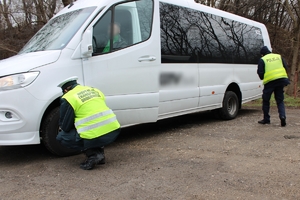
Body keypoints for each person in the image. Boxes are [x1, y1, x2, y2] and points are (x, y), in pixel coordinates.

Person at [56, 77, 121, 170]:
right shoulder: (94, 90)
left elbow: (65, 126)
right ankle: (100, 154)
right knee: (93, 128)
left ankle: (94, 155)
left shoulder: (68, 97)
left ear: (66, 90)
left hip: (96, 134)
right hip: (113, 130)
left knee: (62, 137)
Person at [257, 46, 290, 126]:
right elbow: (285, 67)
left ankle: (266, 119)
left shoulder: (263, 59)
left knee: (266, 101)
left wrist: (264, 77)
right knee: (280, 100)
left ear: (262, 54)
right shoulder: (278, 56)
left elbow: (260, 73)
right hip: (281, 80)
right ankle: (282, 116)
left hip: (270, 82)